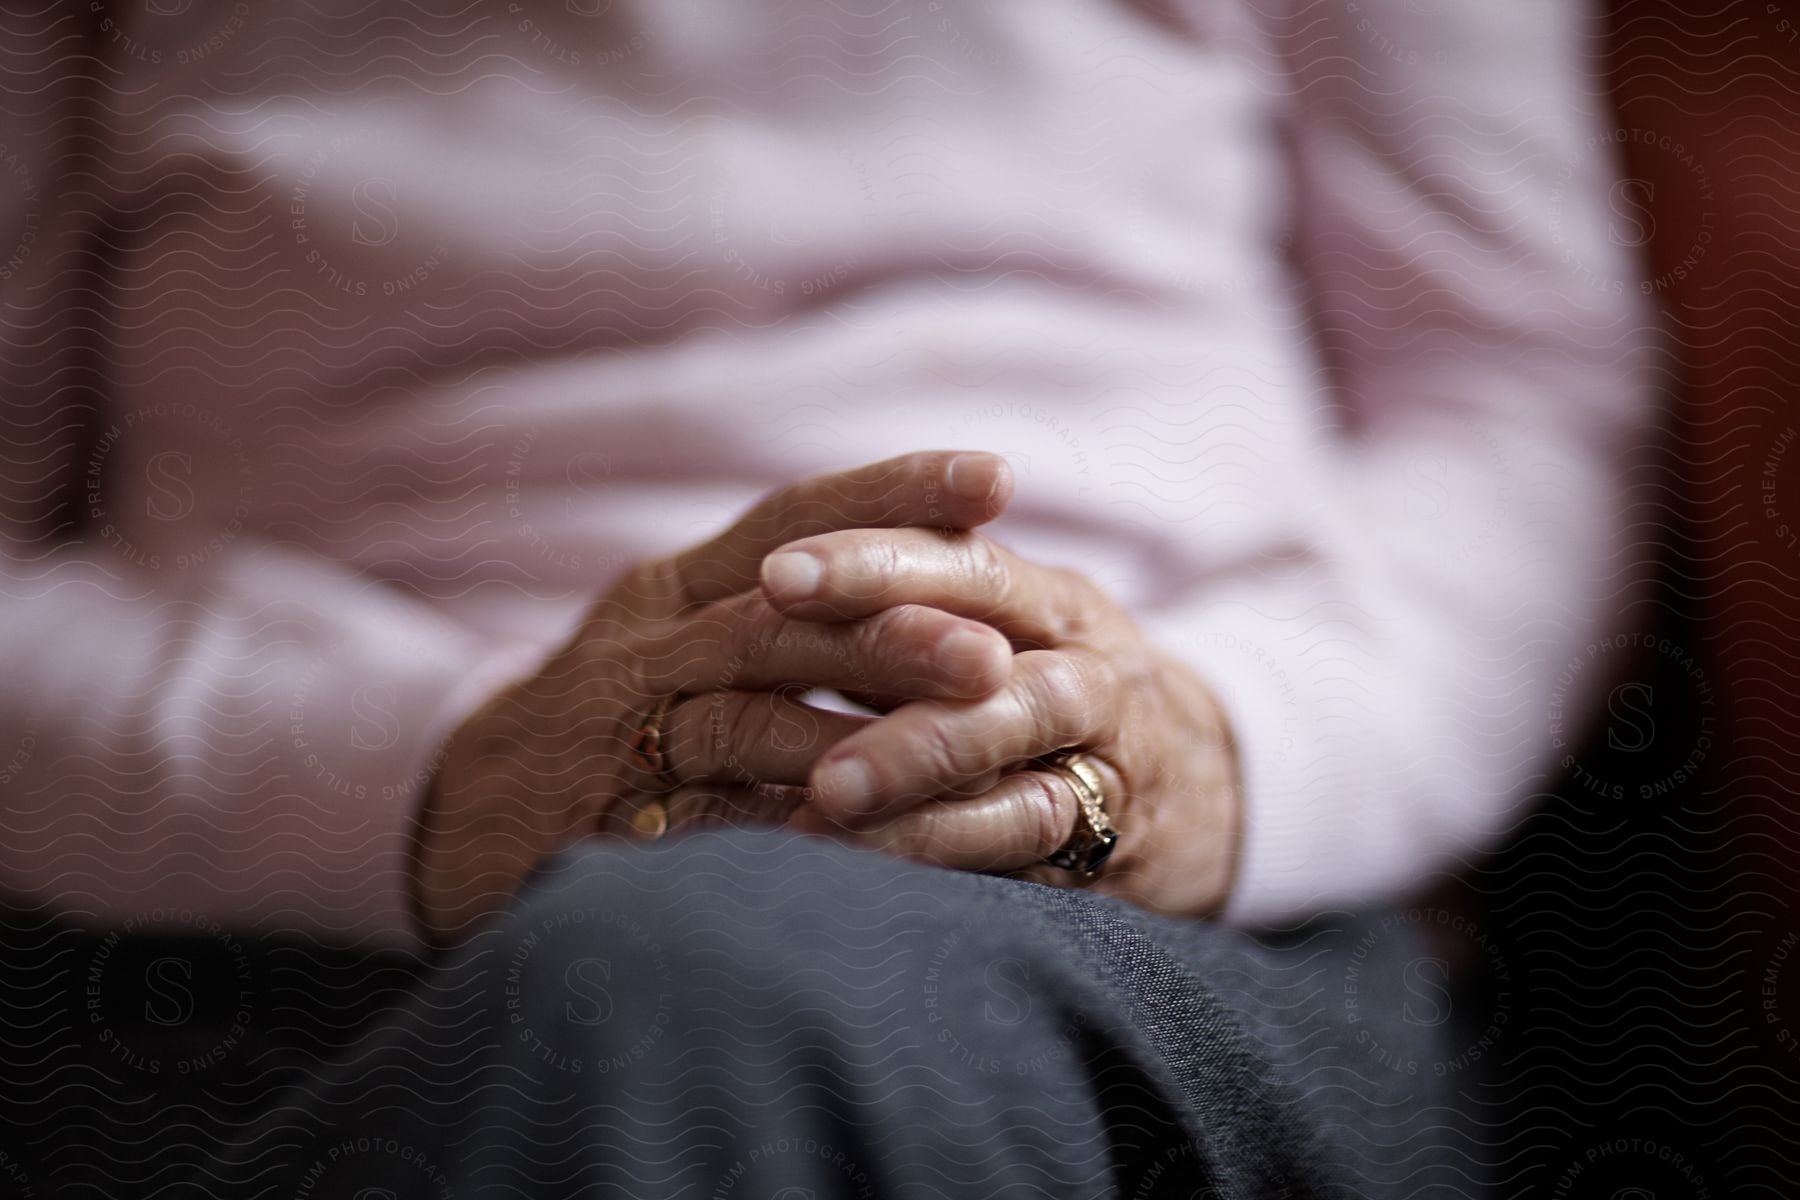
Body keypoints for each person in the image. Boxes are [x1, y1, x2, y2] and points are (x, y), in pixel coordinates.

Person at [0, 0, 1654, 1194]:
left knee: (710, 991)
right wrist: (419, 783)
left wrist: (1224, 748)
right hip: (258, 946)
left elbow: (1514, 384)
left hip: (1168, 938)